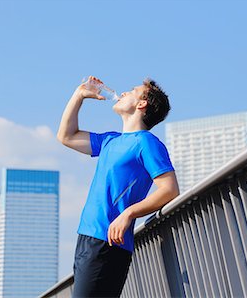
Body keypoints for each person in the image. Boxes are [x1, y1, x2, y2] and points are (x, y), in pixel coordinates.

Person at [57, 76, 180, 298]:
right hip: (87, 238)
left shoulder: (146, 142)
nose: (123, 93)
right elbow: (66, 136)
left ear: (142, 104)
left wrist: (129, 214)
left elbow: (169, 189)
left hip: (109, 242)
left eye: (132, 91)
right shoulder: (110, 141)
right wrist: (79, 95)